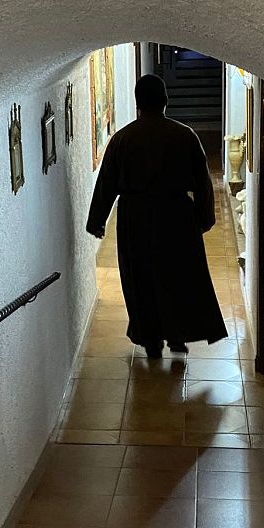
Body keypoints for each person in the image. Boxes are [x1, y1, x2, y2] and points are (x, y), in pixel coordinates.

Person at [86, 73, 228, 358]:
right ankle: (177, 336)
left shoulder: (122, 139)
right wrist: (202, 219)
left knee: (140, 278)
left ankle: (150, 339)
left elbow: (106, 183)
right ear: (165, 101)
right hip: (176, 216)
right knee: (177, 276)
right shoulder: (184, 135)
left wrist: (97, 221)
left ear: (138, 103)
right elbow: (202, 182)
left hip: (134, 218)